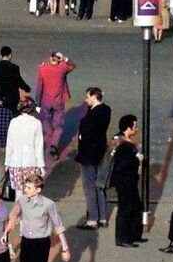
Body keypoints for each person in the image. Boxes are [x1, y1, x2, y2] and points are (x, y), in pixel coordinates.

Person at [74, 87, 113, 230]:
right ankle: (103, 217)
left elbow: (87, 133)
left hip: (88, 154)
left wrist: (81, 137)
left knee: (89, 186)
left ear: (94, 97)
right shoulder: (106, 110)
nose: (86, 100)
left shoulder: (92, 115)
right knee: (99, 185)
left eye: (87, 97)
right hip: (100, 151)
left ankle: (92, 219)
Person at [33, 50, 75, 159]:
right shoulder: (62, 68)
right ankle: (53, 145)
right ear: (58, 59)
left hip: (46, 102)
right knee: (59, 126)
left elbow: (39, 87)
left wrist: (37, 104)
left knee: (46, 123)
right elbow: (73, 65)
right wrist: (65, 59)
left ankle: (50, 137)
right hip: (59, 102)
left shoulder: (43, 69)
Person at [111, 114, 145, 248]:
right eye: (135, 126)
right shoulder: (122, 144)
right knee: (126, 208)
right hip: (125, 181)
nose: (136, 129)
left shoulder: (124, 142)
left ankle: (133, 235)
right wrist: (137, 159)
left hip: (129, 180)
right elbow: (122, 164)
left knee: (136, 206)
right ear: (128, 128)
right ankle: (122, 238)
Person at [4, 98, 45, 200]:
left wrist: (7, 162)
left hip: (15, 162)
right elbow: (38, 146)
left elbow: (10, 143)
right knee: (30, 192)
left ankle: (19, 213)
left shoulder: (14, 122)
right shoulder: (36, 123)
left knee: (18, 192)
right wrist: (41, 165)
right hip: (31, 162)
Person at [0, 46, 30, 113]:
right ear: (10, 55)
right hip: (13, 97)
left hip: (0, 96)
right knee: (12, 115)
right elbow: (19, 81)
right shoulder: (14, 68)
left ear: (0, 56)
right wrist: (27, 88)